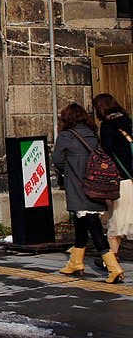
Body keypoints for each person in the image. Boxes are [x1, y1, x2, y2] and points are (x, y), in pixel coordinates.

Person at [52, 102, 122, 282]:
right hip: (95, 185)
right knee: (80, 224)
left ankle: (113, 267)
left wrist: (68, 169)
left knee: (93, 228)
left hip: (77, 186)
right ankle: (76, 262)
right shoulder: (92, 134)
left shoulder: (66, 136)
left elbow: (57, 160)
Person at [93, 93, 133, 267]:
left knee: (117, 219)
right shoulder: (128, 121)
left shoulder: (107, 128)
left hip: (122, 179)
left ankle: (111, 259)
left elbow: (107, 154)